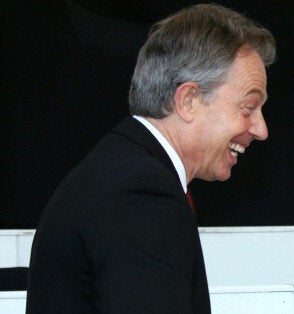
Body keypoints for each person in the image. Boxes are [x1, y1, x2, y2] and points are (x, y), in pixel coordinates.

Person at [27, 4, 275, 313]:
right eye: (248, 107)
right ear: (188, 100)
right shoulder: (141, 192)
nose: (261, 129)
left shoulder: (120, 169)